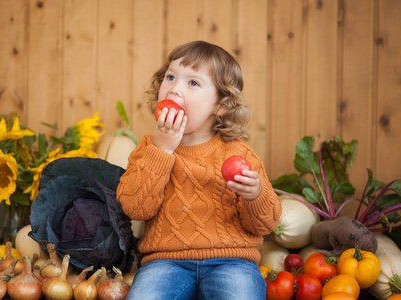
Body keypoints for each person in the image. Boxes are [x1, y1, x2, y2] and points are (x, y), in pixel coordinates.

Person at [116, 40, 282, 300]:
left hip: (232, 262)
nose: (174, 89)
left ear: (221, 105)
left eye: (192, 83)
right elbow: (135, 208)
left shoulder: (239, 153)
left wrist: (255, 194)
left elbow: (266, 224)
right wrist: (162, 150)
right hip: (165, 263)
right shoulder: (148, 148)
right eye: (170, 77)